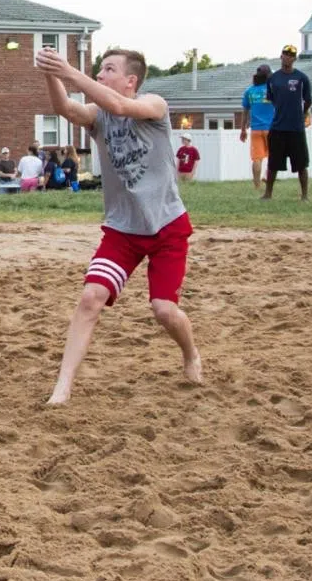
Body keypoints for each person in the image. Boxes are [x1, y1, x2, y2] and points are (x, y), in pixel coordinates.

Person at [36, 46, 201, 405]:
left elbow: (122, 107)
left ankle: (189, 353)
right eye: (99, 70)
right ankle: (61, 388)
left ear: (131, 80)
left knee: (164, 310)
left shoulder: (154, 106)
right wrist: (51, 73)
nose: (99, 75)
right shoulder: (98, 115)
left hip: (166, 227)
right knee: (91, 298)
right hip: (123, 230)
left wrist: (68, 72)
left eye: (108, 69)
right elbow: (67, 109)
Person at [262, 45, 312, 201]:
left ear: (295, 59)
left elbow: (308, 100)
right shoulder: (273, 78)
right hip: (278, 126)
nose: (288, 57)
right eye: (286, 54)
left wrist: (303, 114)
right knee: (273, 163)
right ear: (281, 56)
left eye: (291, 55)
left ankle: (304, 195)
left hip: (296, 127)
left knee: (301, 163)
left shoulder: (302, 78)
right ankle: (268, 193)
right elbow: (271, 98)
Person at [239, 64, 274, 185]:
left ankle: (257, 185)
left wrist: (243, 130)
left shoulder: (249, 91)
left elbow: (245, 112)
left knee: (257, 158)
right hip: (272, 129)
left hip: (255, 130)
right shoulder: (272, 89)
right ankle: (267, 177)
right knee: (274, 156)